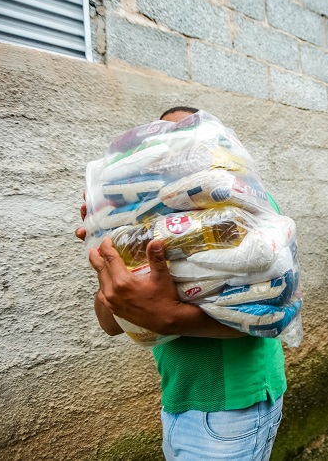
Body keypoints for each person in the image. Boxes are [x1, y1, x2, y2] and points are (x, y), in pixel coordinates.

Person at [75, 106, 286, 461]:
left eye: (186, 142)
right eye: (162, 146)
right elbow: (111, 323)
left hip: (231, 409)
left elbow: (275, 314)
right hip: (177, 398)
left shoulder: (241, 207)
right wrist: (103, 242)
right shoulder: (138, 223)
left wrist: (167, 317)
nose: (172, 156)